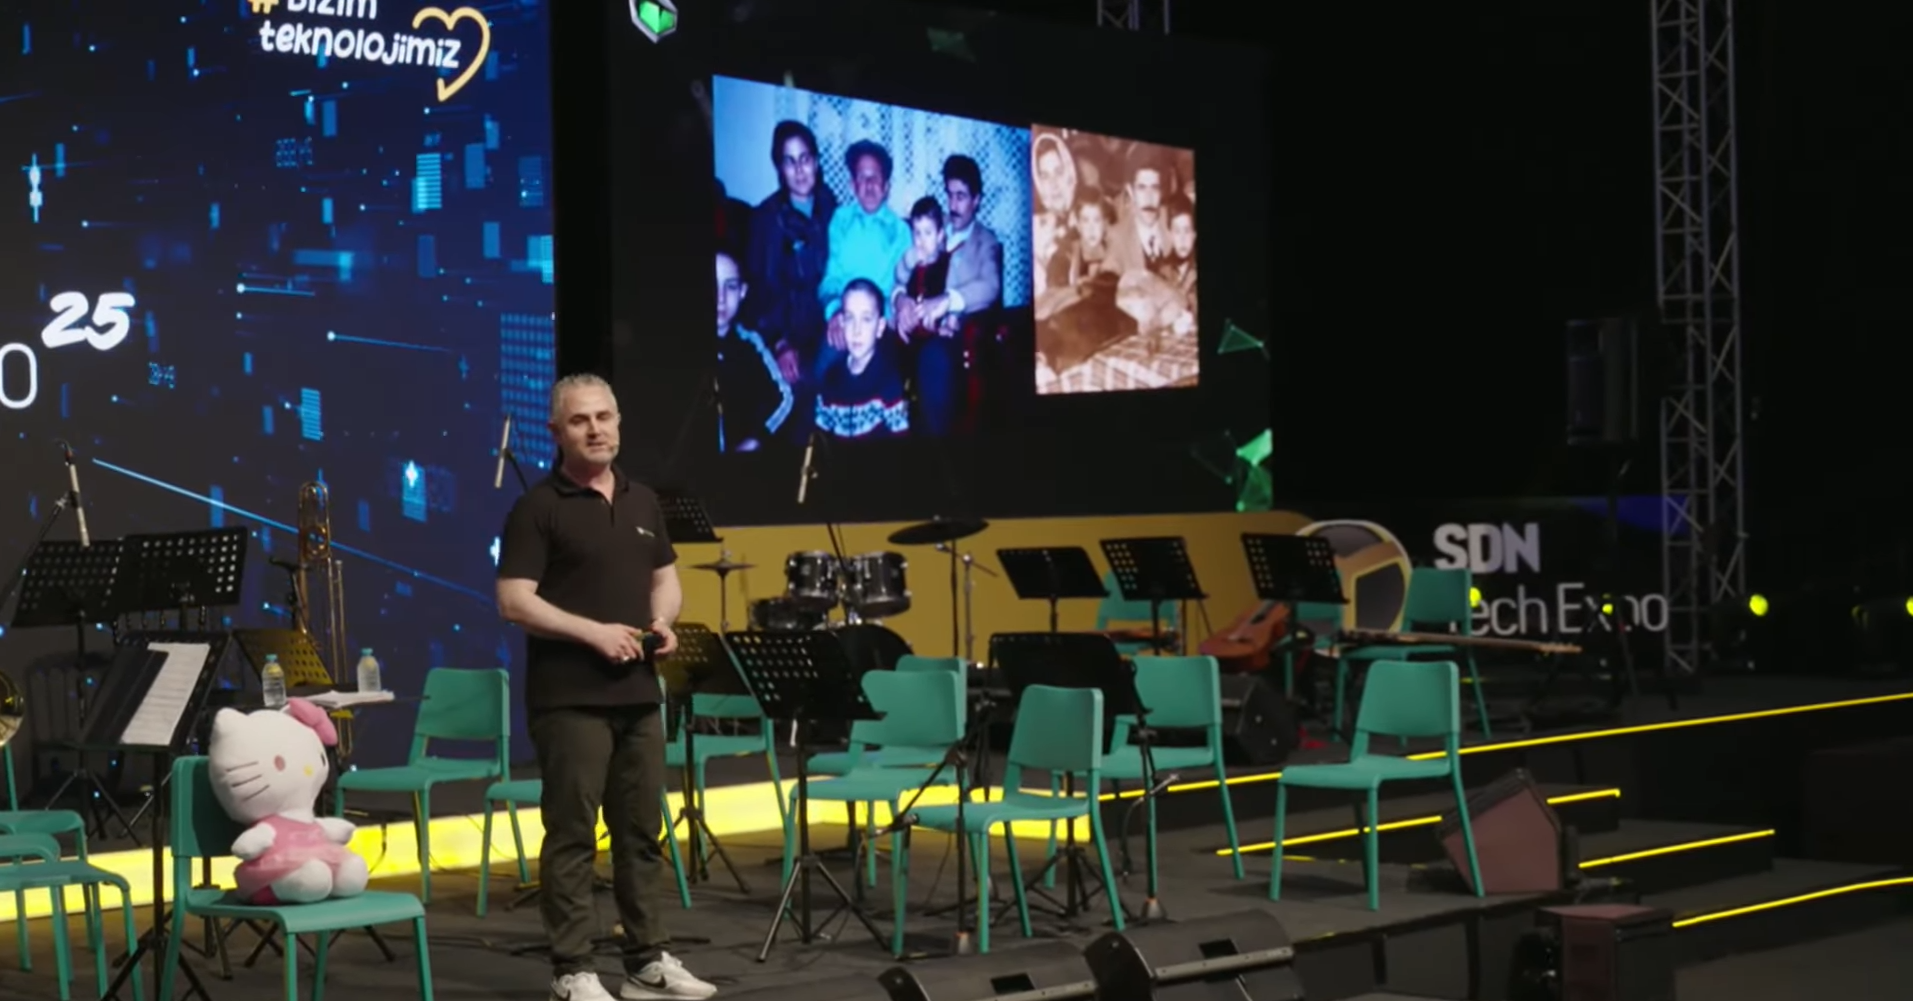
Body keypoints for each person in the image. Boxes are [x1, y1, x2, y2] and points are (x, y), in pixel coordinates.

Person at [495, 373, 718, 1001]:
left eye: (604, 417)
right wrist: (593, 633)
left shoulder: (643, 500)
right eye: (580, 420)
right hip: (569, 699)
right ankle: (572, 970)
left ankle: (646, 961)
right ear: (556, 432)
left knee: (641, 834)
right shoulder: (537, 507)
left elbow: (665, 579)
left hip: (639, 696)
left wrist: (663, 623)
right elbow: (513, 600)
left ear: (618, 422)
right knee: (572, 835)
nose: (595, 429)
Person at [814, 279, 910, 438]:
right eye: (850, 318)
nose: (856, 330)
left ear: (880, 327)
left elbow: (900, 443)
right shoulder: (831, 379)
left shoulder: (890, 383)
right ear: (842, 323)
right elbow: (820, 438)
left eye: (866, 319)